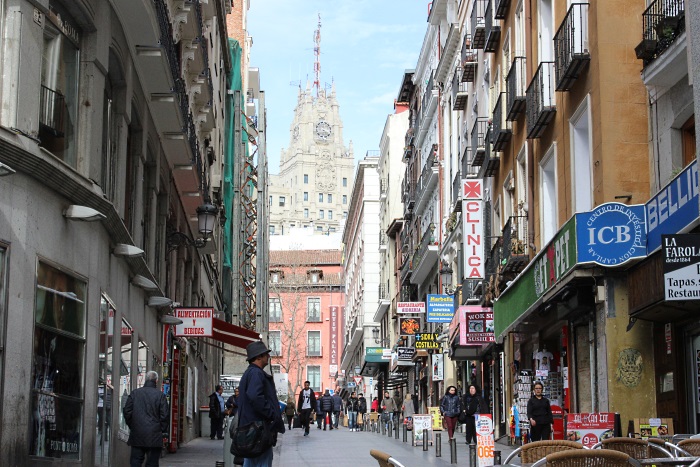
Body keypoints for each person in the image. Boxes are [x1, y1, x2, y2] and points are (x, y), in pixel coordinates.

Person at [236, 341, 285, 467]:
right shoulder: (256, 373)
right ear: (258, 357)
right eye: (265, 355)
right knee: (262, 461)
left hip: (251, 431)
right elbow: (255, 396)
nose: (268, 357)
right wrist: (271, 414)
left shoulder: (249, 373)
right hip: (259, 431)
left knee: (251, 462)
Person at [122, 371, 169, 467]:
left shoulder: (135, 393)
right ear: (156, 381)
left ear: (145, 379)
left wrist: (132, 425)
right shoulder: (160, 395)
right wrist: (162, 430)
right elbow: (164, 415)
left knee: (136, 461)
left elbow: (127, 411)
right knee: (152, 462)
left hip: (137, 433)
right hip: (154, 434)